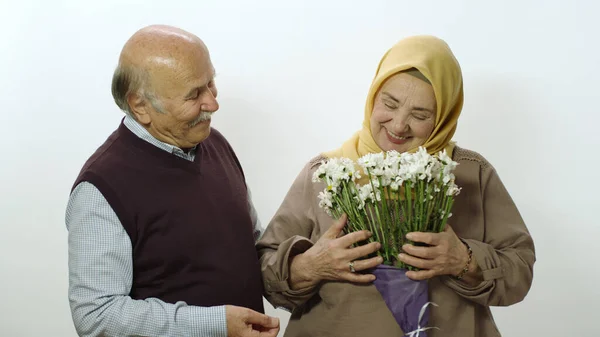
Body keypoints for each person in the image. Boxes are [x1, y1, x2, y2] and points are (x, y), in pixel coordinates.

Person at [256, 35, 535, 336]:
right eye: (389, 103)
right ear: (373, 96)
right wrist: (311, 266)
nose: (399, 125)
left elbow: (519, 269)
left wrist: (464, 260)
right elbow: (265, 273)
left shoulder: (468, 173)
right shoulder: (327, 173)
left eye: (420, 115)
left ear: (444, 117)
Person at [66, 24, 279, 337]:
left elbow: (251, 244)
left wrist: (303, 268)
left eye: (211, 83)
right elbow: (96, 314)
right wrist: (216, 325)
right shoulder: (101, 188)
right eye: (194, 94)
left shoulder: (215, 144)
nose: (213, 103)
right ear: (140, 105)